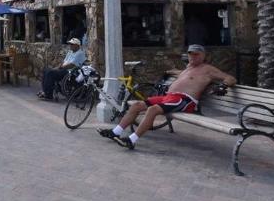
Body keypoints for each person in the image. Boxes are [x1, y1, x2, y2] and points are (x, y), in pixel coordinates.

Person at [99, 44, 236, 149]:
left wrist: (223, 86)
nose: (193, 57)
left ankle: (132, 140)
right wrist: (168, 72)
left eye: (196, 54)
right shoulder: (189, 68)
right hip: (169, 97)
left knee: (153, 110)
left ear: (203, 55)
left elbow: (230, 78)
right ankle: (116, 132)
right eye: (190, 54)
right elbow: (181, 74)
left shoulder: (208, 69)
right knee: (136, 105)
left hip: (184, 100)